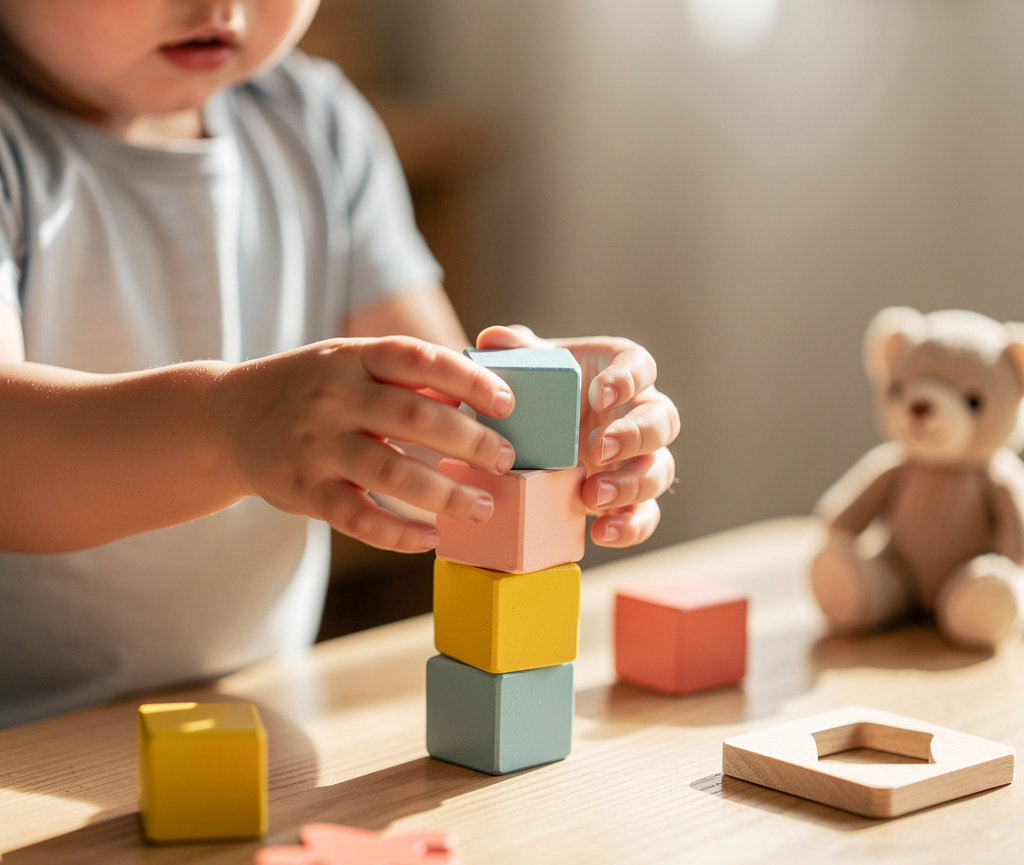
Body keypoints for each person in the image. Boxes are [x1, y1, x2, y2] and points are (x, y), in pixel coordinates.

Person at [0, 0, 680, 727]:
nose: (220, 5)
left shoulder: (314, 121)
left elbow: (431, 441)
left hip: (249, 704)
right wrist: (229, 429)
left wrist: (536, 436)